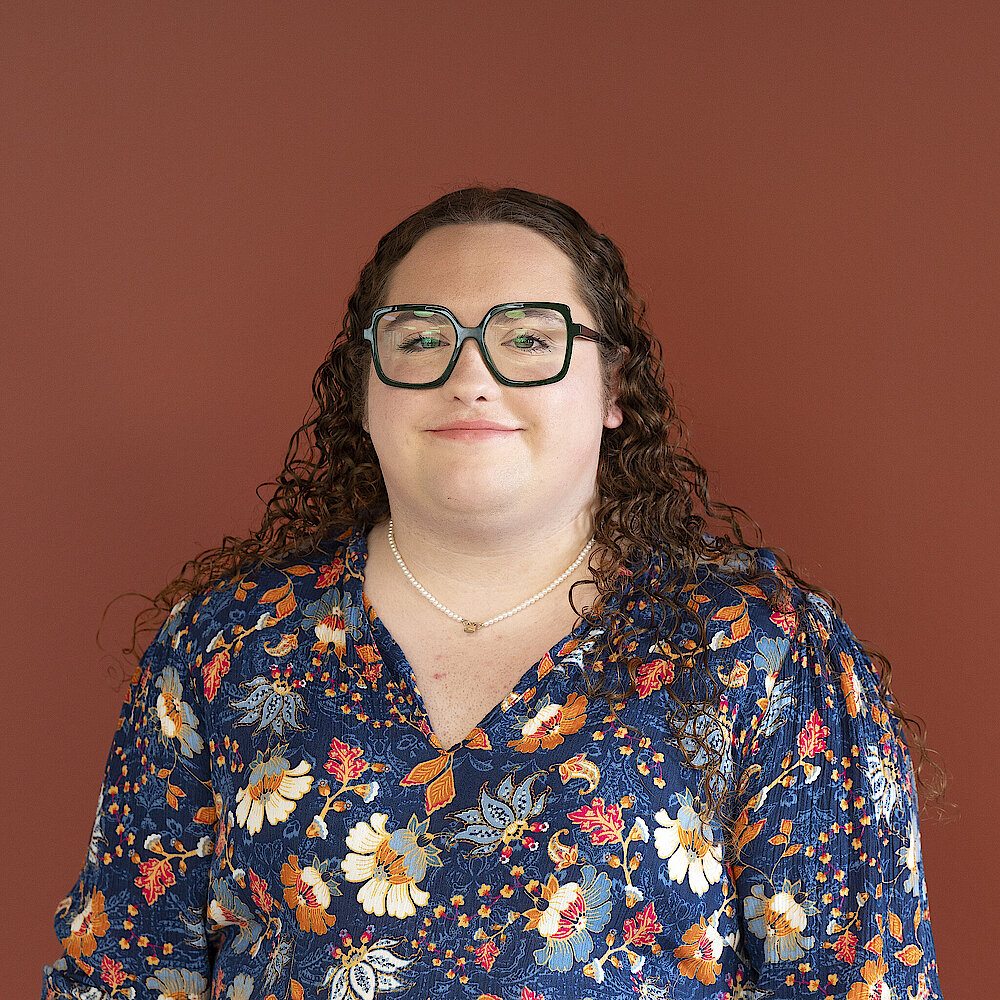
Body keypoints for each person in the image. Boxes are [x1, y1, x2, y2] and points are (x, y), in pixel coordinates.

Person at [42, 187, 942, 1000]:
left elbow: (862, 984)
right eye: (422, 339)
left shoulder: (760, 651)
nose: (470, 377)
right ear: (365, 389)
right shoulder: (230, 642)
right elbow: (117, 977)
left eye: (528, 340)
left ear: (613, 388)